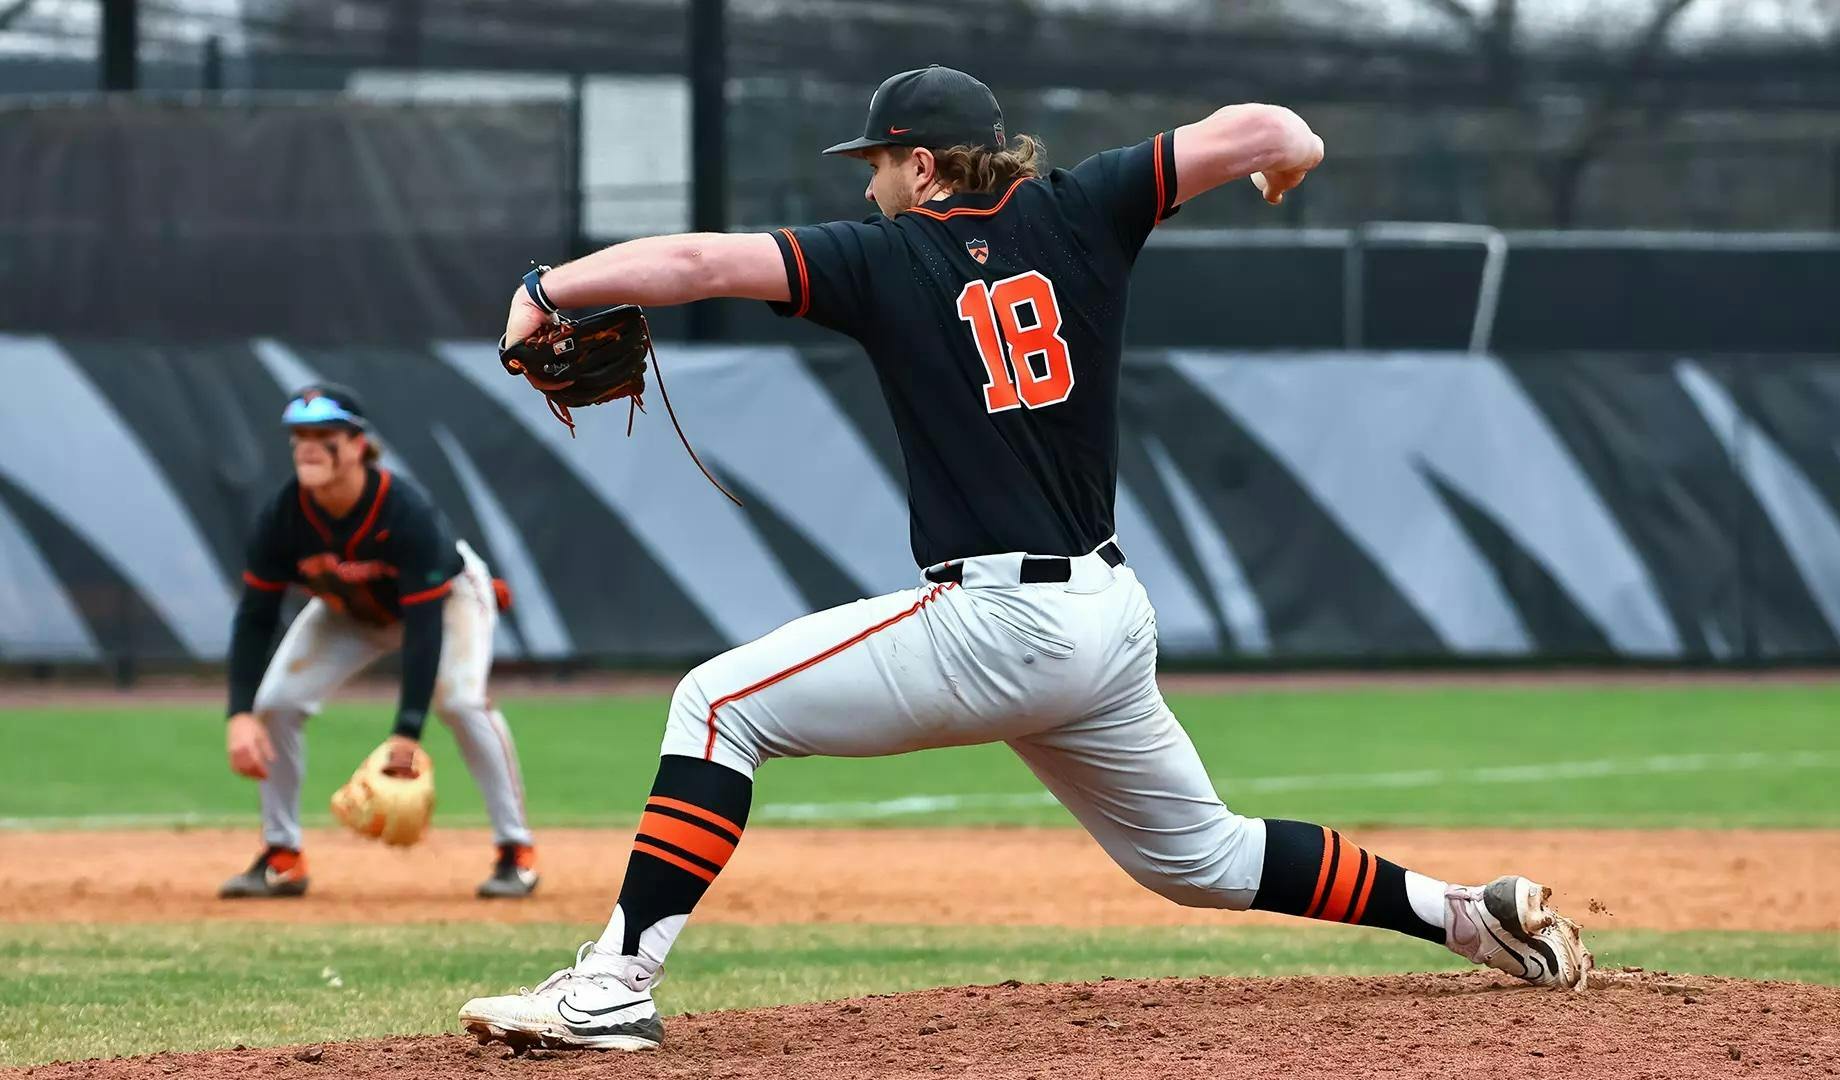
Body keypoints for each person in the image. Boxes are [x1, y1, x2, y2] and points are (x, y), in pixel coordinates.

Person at [459, 65, 1590, 1052]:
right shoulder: (1088, 207)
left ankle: (613, 983)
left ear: (920, 164)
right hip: (1106, 613)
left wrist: (547, 288)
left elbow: (700, 259)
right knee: (1195, 857)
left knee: (715, 705)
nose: (867, 186)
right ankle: (1460, 913)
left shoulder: (882, 259)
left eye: (878, 164)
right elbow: (1265, 128)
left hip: (1000, 622)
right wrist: (1288, 155)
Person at [220, 382, 539, 900]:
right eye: (299, 434)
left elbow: (424, 625)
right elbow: (255, 616)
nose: (306, 446)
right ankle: (281, 856)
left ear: (357, 445)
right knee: (274, 705)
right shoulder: (283, 517)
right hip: (350, 609)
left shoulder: (402, 510)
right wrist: (238, 714)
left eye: (324, 434)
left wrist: (407, 734)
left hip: (446, 599)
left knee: (460, 703)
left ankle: (515, 850)